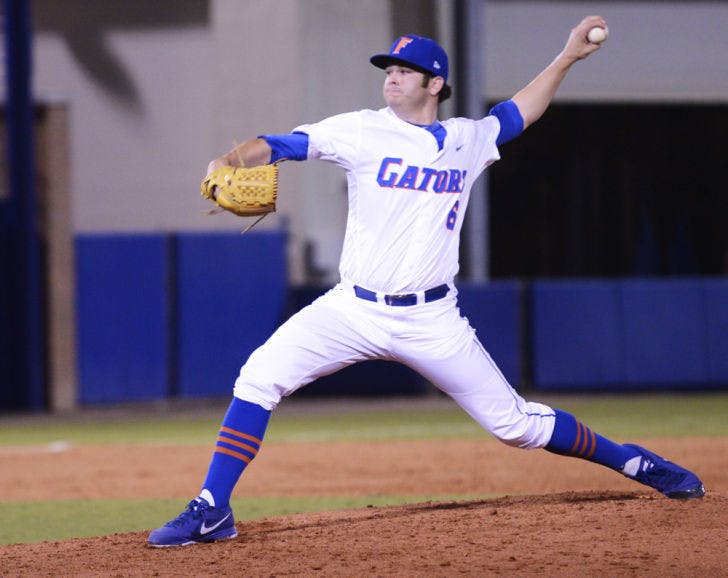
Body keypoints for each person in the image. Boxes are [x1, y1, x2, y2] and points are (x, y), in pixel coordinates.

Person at [148, 15, 704, 548]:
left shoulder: (466, 140)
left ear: (435, 84)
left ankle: (632, 460)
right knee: (259, 374)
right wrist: (228, 157)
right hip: (352, 309)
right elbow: (276, 144)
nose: (391, 76)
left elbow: (520, 113)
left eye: (404, 70)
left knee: (515, 426)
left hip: (431, 317)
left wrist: (566, 57)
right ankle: (212, 508)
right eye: (388, 68)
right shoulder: (361, 130)